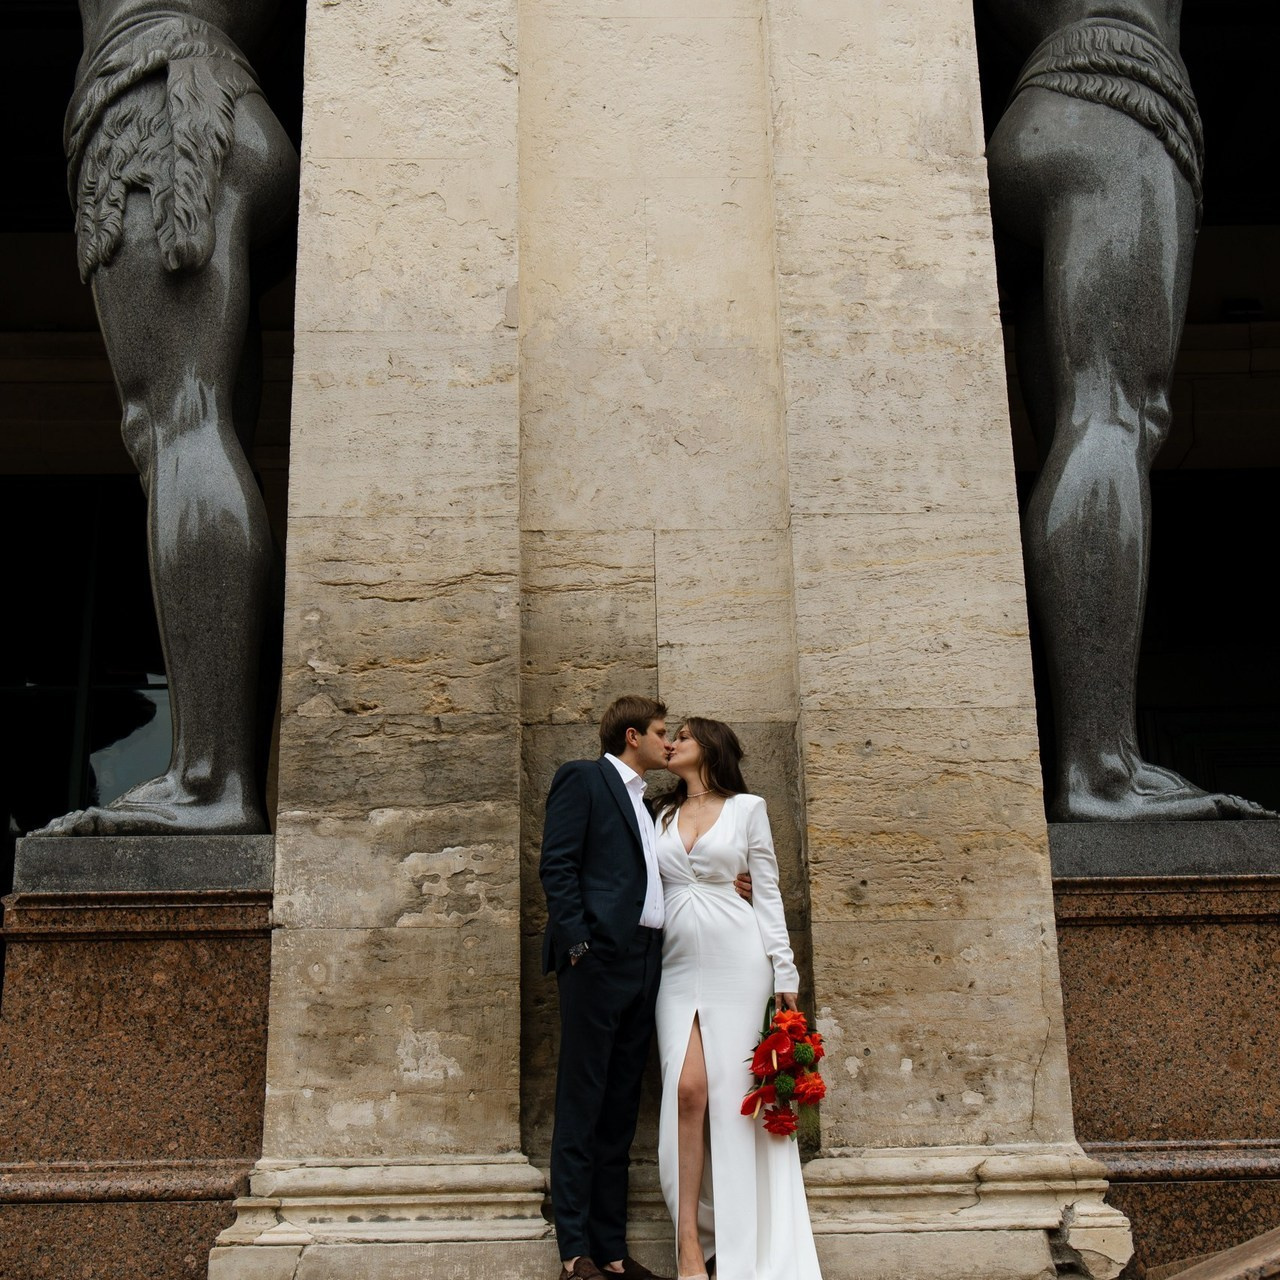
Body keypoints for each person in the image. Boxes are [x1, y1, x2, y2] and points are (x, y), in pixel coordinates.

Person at [983, 0, 1271, 820]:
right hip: (1121, 111)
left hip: (1038, 104)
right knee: (1115, 416)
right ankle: (1102, 770)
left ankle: (1095, 759)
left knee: (1085, 421)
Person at [32, 0, 298, 836]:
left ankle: (209, 781)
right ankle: (221, 769)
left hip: (156, 109)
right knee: (207, 425)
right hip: (222, 100)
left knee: (177, 423)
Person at [653, 717, 822, 1280]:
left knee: (737, 1105)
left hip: (738, 964)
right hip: (674, 969)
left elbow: (767, 892)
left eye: (683, 735)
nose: (672, 742)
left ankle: (746, 1247)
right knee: (687, 1091)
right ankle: (689, 1250)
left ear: (710, 748)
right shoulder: (662, 815)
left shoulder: (749, 809)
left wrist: (785, 979)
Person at [539, 694, 677, 1280]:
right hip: (596, 962)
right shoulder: (584, 779)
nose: (668, 743)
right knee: (583, 1100)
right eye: (661, 732)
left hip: (647, 963)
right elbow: (558, 864)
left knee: (620, 1109)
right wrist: (578, 948)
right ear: (630, 736)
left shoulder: (649, 805)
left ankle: (612, 1253)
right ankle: (576, 1254)